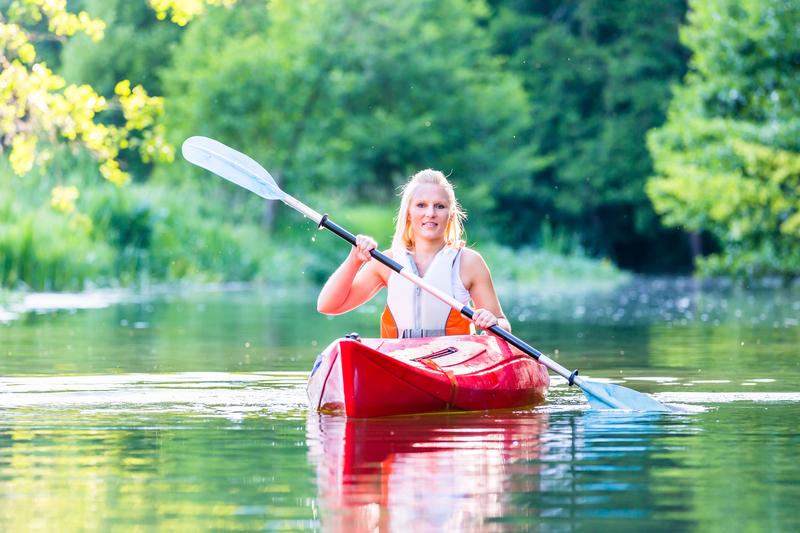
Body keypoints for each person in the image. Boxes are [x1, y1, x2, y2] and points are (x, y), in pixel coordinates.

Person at [317, 169, 510, 338]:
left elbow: (504, 326)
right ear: (408, 213)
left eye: (440, 206)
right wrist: (354, 260)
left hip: (454, 361)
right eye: (421, 205)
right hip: (399, 360)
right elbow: (327, 306)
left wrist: (492, 323)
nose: (430, 213)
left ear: (451, 214)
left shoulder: (469, 262)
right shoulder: (386, 262)